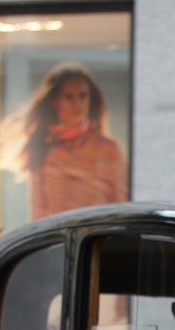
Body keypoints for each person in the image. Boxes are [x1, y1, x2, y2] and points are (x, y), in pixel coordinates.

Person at [10, 62, 128, 222]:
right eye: (68, 97)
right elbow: (37, 215)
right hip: (57, 235)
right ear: (54, 101)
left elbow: (122, 208)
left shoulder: (109, 149)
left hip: (101, 235)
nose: (77, 104)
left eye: (83, 96)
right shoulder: (43, 150)